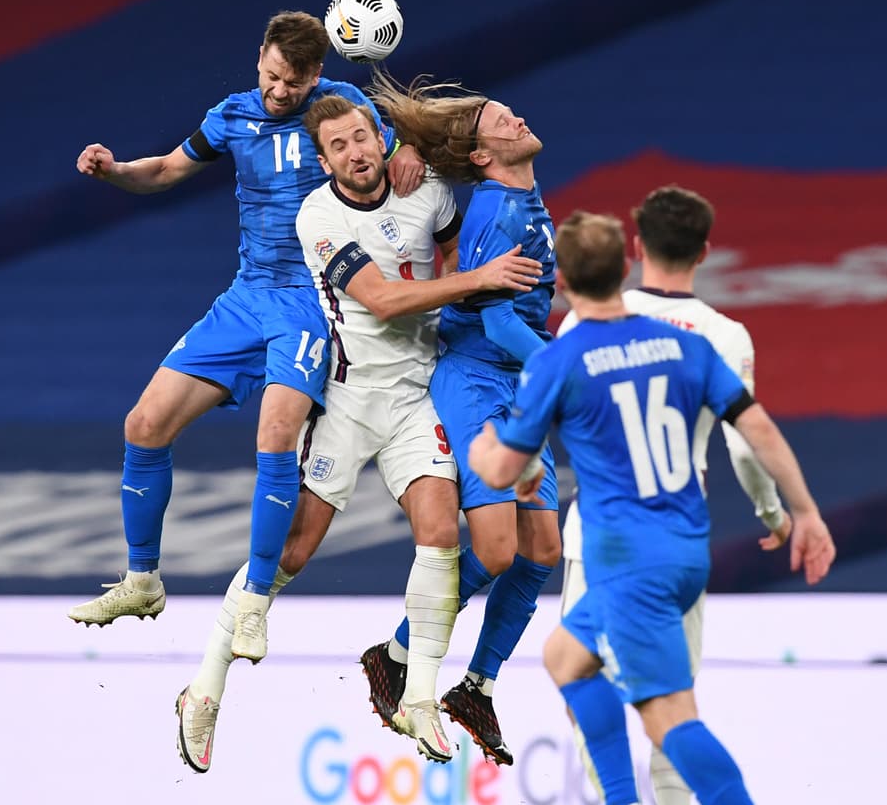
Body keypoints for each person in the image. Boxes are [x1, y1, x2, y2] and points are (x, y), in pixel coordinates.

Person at [173, 95, 543, 772]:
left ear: (381, 137)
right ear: (324, 160)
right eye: (338, 147)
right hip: (346, 399)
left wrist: (472, 269)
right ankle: (204, 686)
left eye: (362, 139)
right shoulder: (318, 214)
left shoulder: (425, 188)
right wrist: (478, 278)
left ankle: (420, 695)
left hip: (414, 396)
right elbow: (382, 299)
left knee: (438, 534)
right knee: (294, 549)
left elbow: (457, 244)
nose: (354, 153)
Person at [67, 11, 425, 668]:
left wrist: (406, 159)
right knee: (144, 423)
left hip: (314, 301)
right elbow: (169, 170)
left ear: (316, 74)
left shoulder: (340, 113)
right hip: (246, 296)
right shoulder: (232, 114)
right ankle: (143, 580)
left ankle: (256, 600)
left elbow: (399, 157)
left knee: (274, 433)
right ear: (259, 55)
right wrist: (116, 170)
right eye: (271, 75)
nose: (278, 91)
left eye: (292, 82)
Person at [469, 211, 836, 805]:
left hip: (625, 557)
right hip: (685, 546)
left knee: (670, 719)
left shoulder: (561, 358)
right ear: (624, 268)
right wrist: (805, 513)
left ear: (560, 282)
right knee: (565, 657)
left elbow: (510, 471)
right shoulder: (688, 344)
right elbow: (757, 430)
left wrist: (486, 449)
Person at [557, 191, 791, 804]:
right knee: (672, 707)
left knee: (580, 679)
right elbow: (746, 447)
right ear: (705, 252)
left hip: (598, 541)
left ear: (636, 247)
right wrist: (775, 513)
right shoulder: (724, 334)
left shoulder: (591, 315)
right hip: (674, 542)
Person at [358, 72, 559, 766]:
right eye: (504, 120)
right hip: (477, 381)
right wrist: (565, 364)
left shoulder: (523, 197)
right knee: (499, 549)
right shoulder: (496, 214)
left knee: (542, 552)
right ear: (482, 157)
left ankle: (475, 685)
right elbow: (499, 321)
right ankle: (396, 653)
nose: (518, 119)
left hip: (517, 386)